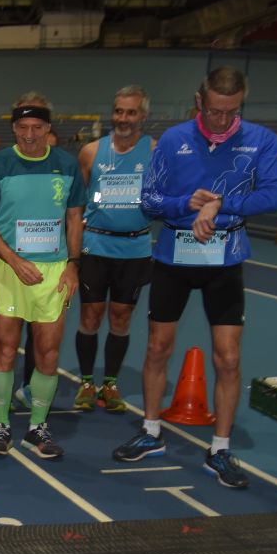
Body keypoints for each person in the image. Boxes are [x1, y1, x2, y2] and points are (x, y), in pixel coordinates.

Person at [112, 67, 277, 488]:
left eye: (231, 111)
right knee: (157, 348)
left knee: (228, 358)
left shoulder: (261, 140)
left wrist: (221, 204)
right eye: (213, 110)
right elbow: (150, 200)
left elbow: (274, 194)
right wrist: (185, 204)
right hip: (174, 257)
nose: (222, 120)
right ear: (199, 99)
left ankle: (220, 448)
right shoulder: (173, 140)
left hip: (225, 260)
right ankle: (151, 431)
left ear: (240, 102)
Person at [0, 92, 86, 460]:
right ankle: (2, 426)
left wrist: (72, 265)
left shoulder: (66, 165)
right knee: (4, 349)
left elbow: (74, 218)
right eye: (22, 127)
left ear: (49, 129)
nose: (29, 135)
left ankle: (37, 427)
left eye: (37, 127)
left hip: (53, 270)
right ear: (13, 129)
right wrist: (12, 258)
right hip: (8, 268)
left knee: (48, 354)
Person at [73, 86, 156, 414]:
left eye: (131, 112)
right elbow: (76, 206)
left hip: (135, 248)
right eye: (119, 111)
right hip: (95, 245)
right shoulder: (91, 152)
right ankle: (85, 383)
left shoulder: (155, 151)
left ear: (143, 116)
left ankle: (109, 383)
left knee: (121, 318)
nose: (123, 118)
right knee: (90, 315)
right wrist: (73, 252)